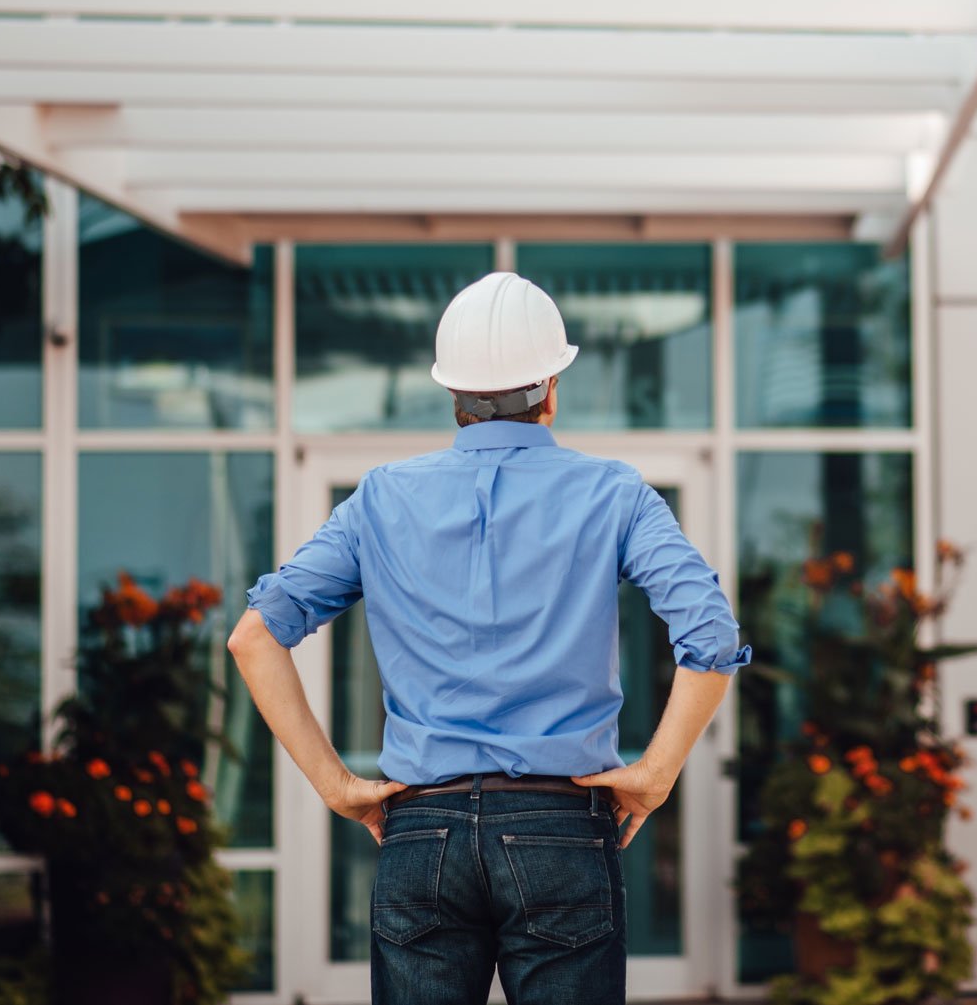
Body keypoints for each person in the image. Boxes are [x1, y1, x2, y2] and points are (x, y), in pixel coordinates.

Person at [229, 269, 751, 1005]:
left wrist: (338, 785)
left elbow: (254, 637)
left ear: (453, 393)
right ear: (551, 384)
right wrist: (658, 771)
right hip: (562, 824)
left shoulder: (380, 498)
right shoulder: (615, 493)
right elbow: (711, 632)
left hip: (421, 829)